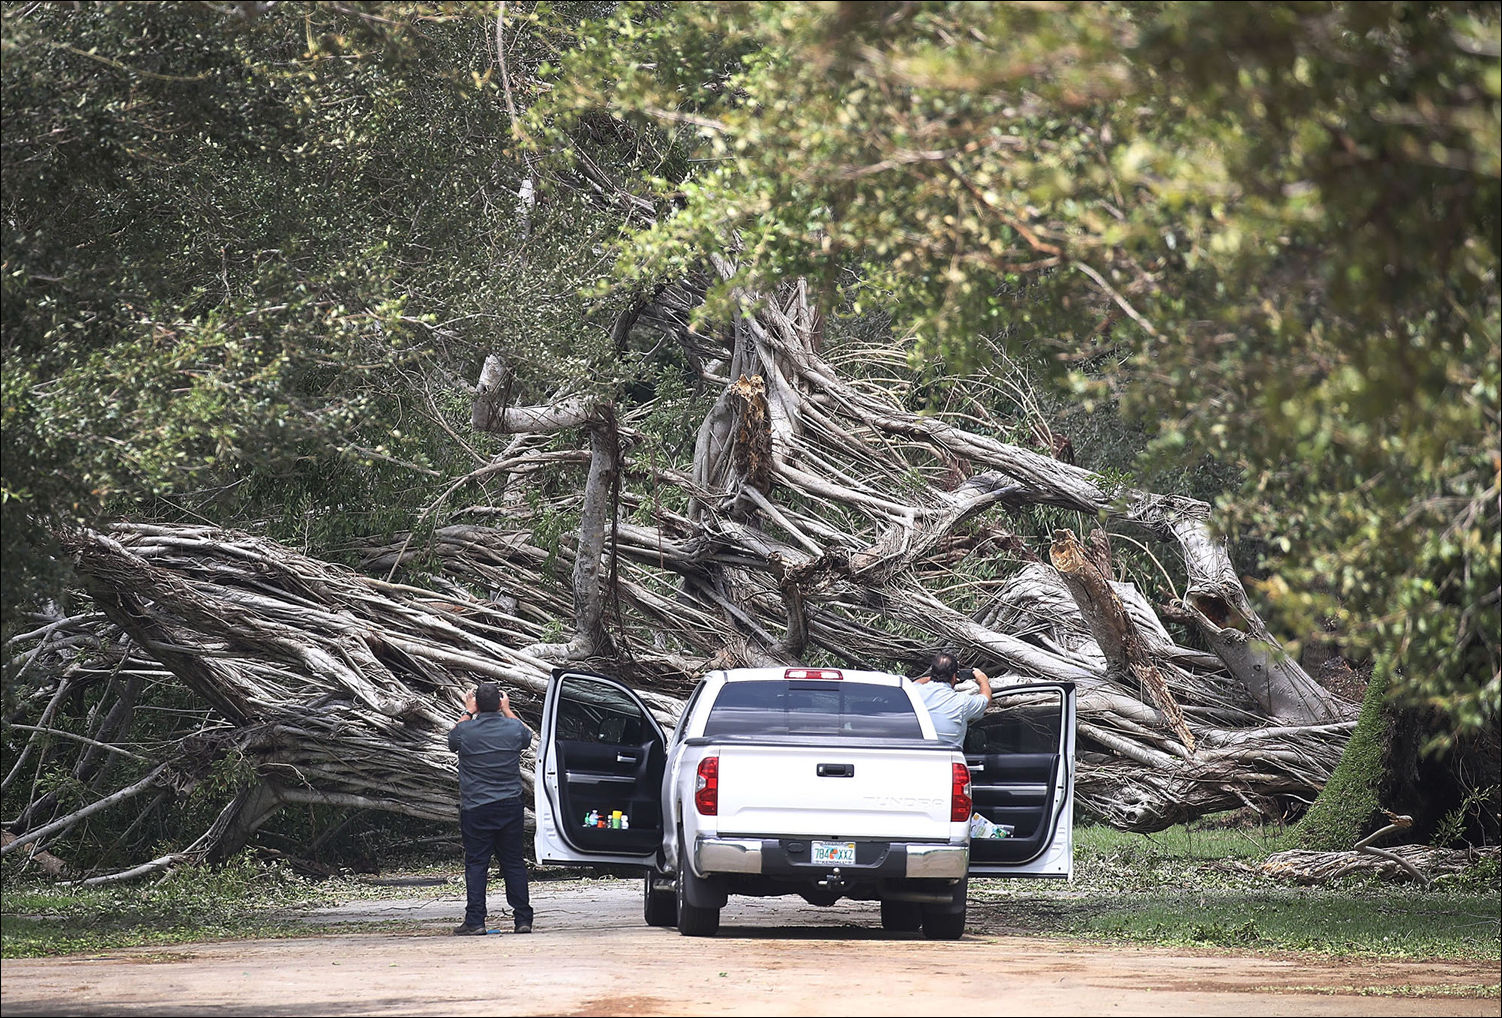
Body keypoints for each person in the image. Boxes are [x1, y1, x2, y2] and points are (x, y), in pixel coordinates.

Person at [449, 681, 535, 935]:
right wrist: (507, 710)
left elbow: (452, 739)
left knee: (477, 863)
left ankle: (475, 921)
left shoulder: (466, 730)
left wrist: (467, 711)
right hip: (509, 805)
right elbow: (527, 735)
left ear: (476, 704)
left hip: (476, 807)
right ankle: (523, 920)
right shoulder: (512, 728)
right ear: (500, 702)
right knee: (513, 862)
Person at [912, 651, 992, 747]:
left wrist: (934, 677)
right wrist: (983, 680)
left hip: (917, 752)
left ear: (932, 672)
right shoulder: (962, 702)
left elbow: (915, 683)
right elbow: (986, 701)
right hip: (947, 757)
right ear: (954, 676)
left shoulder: (915, 692)